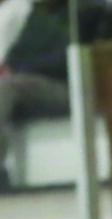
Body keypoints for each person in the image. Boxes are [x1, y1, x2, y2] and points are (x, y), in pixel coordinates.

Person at [0, 0, 70, 191]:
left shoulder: (76, 13)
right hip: (28, 83)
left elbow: (64, 58)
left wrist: (17, 68)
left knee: (5, 87)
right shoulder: (31, 15)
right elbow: (10, 60)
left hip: (64, 87)